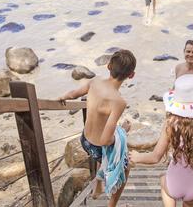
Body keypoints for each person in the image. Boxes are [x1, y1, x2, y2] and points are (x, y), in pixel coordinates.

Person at [57, 50, 137, 206]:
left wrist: (62, 97)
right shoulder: (118, 102)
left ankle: (98, 186)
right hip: (98, 146)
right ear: (131, 75)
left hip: (85, 140)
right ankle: (111, 204)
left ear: (108, 66)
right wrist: (122, 132)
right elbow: (107, 140)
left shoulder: (94, 82)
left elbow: (73, 94)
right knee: (125, 166)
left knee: (103, 154)